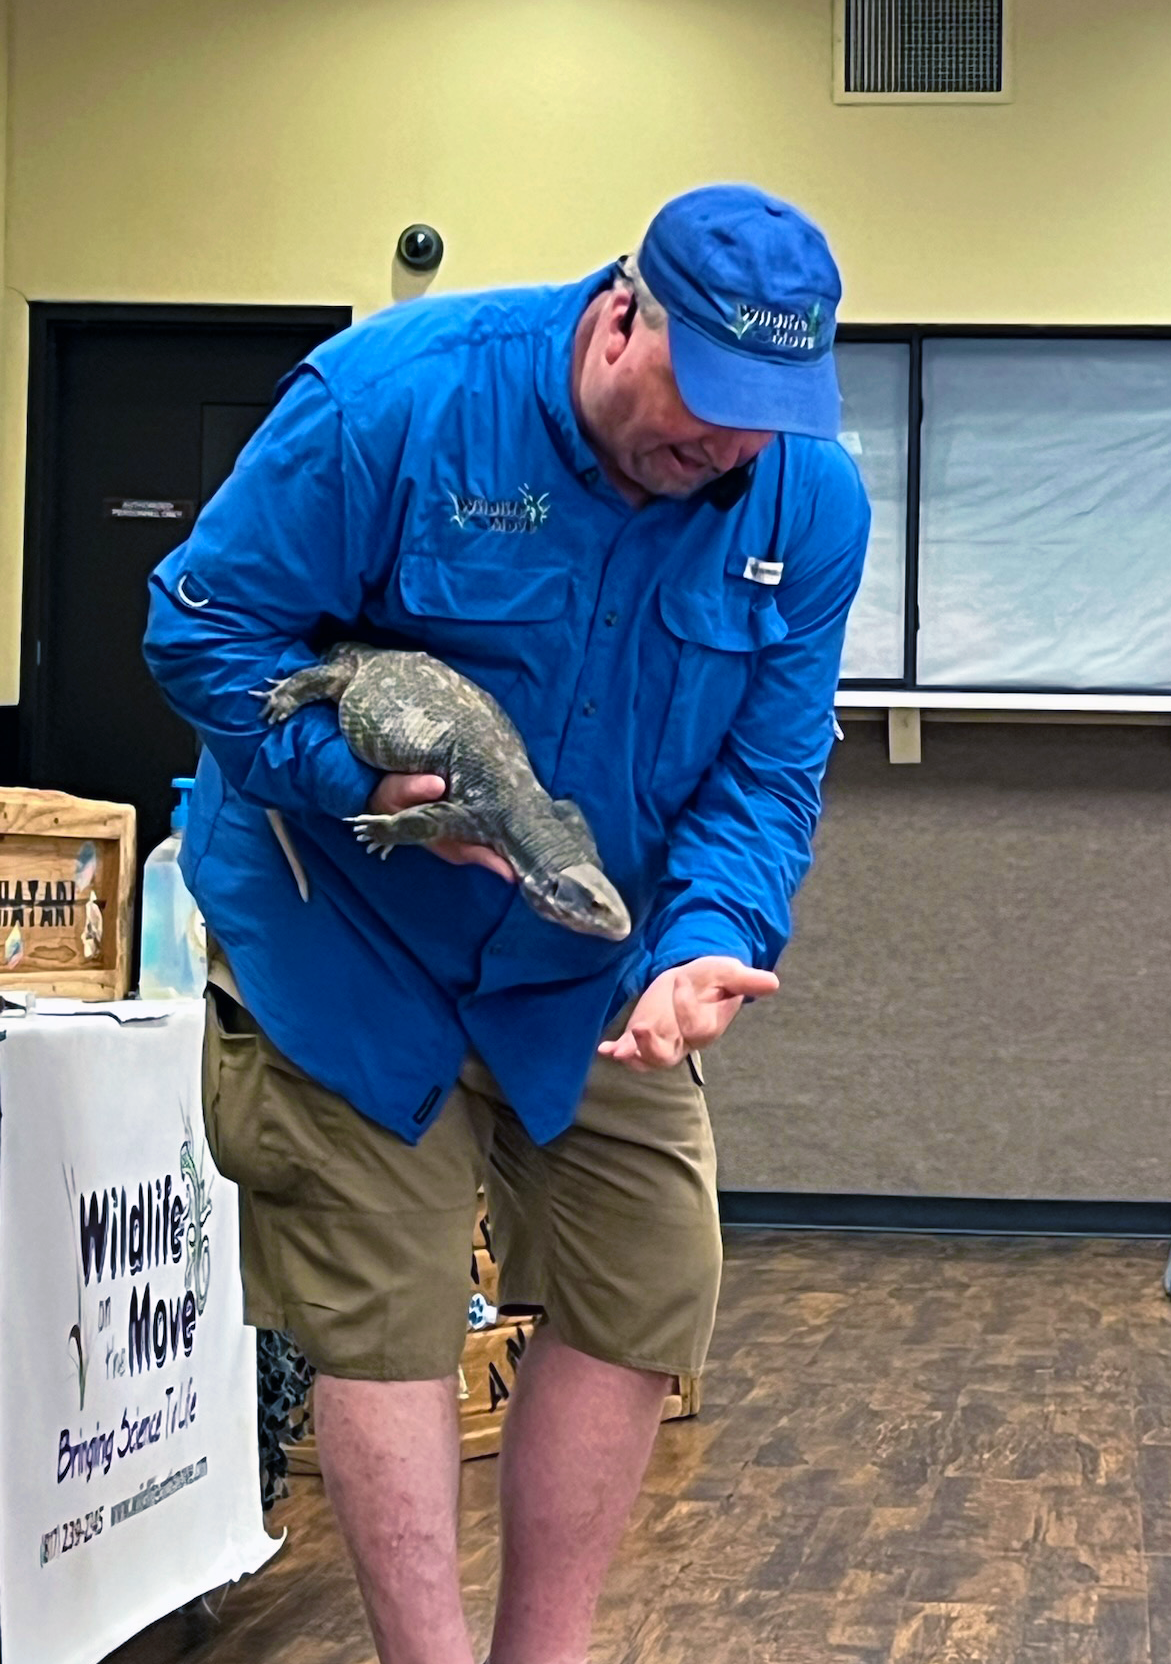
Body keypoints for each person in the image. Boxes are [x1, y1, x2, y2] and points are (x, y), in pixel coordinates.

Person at [143, 181, 870, 1664]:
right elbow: (200, 630)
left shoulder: (808, 503)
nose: (727, 445)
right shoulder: (391, 406)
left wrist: (701, 941)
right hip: (341, 930)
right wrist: (354, 772)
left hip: (583, 953)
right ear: (621, 316)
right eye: (705, 398)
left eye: (763, 414)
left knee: (647, 1271)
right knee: (390, 1308)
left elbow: (764, 771)